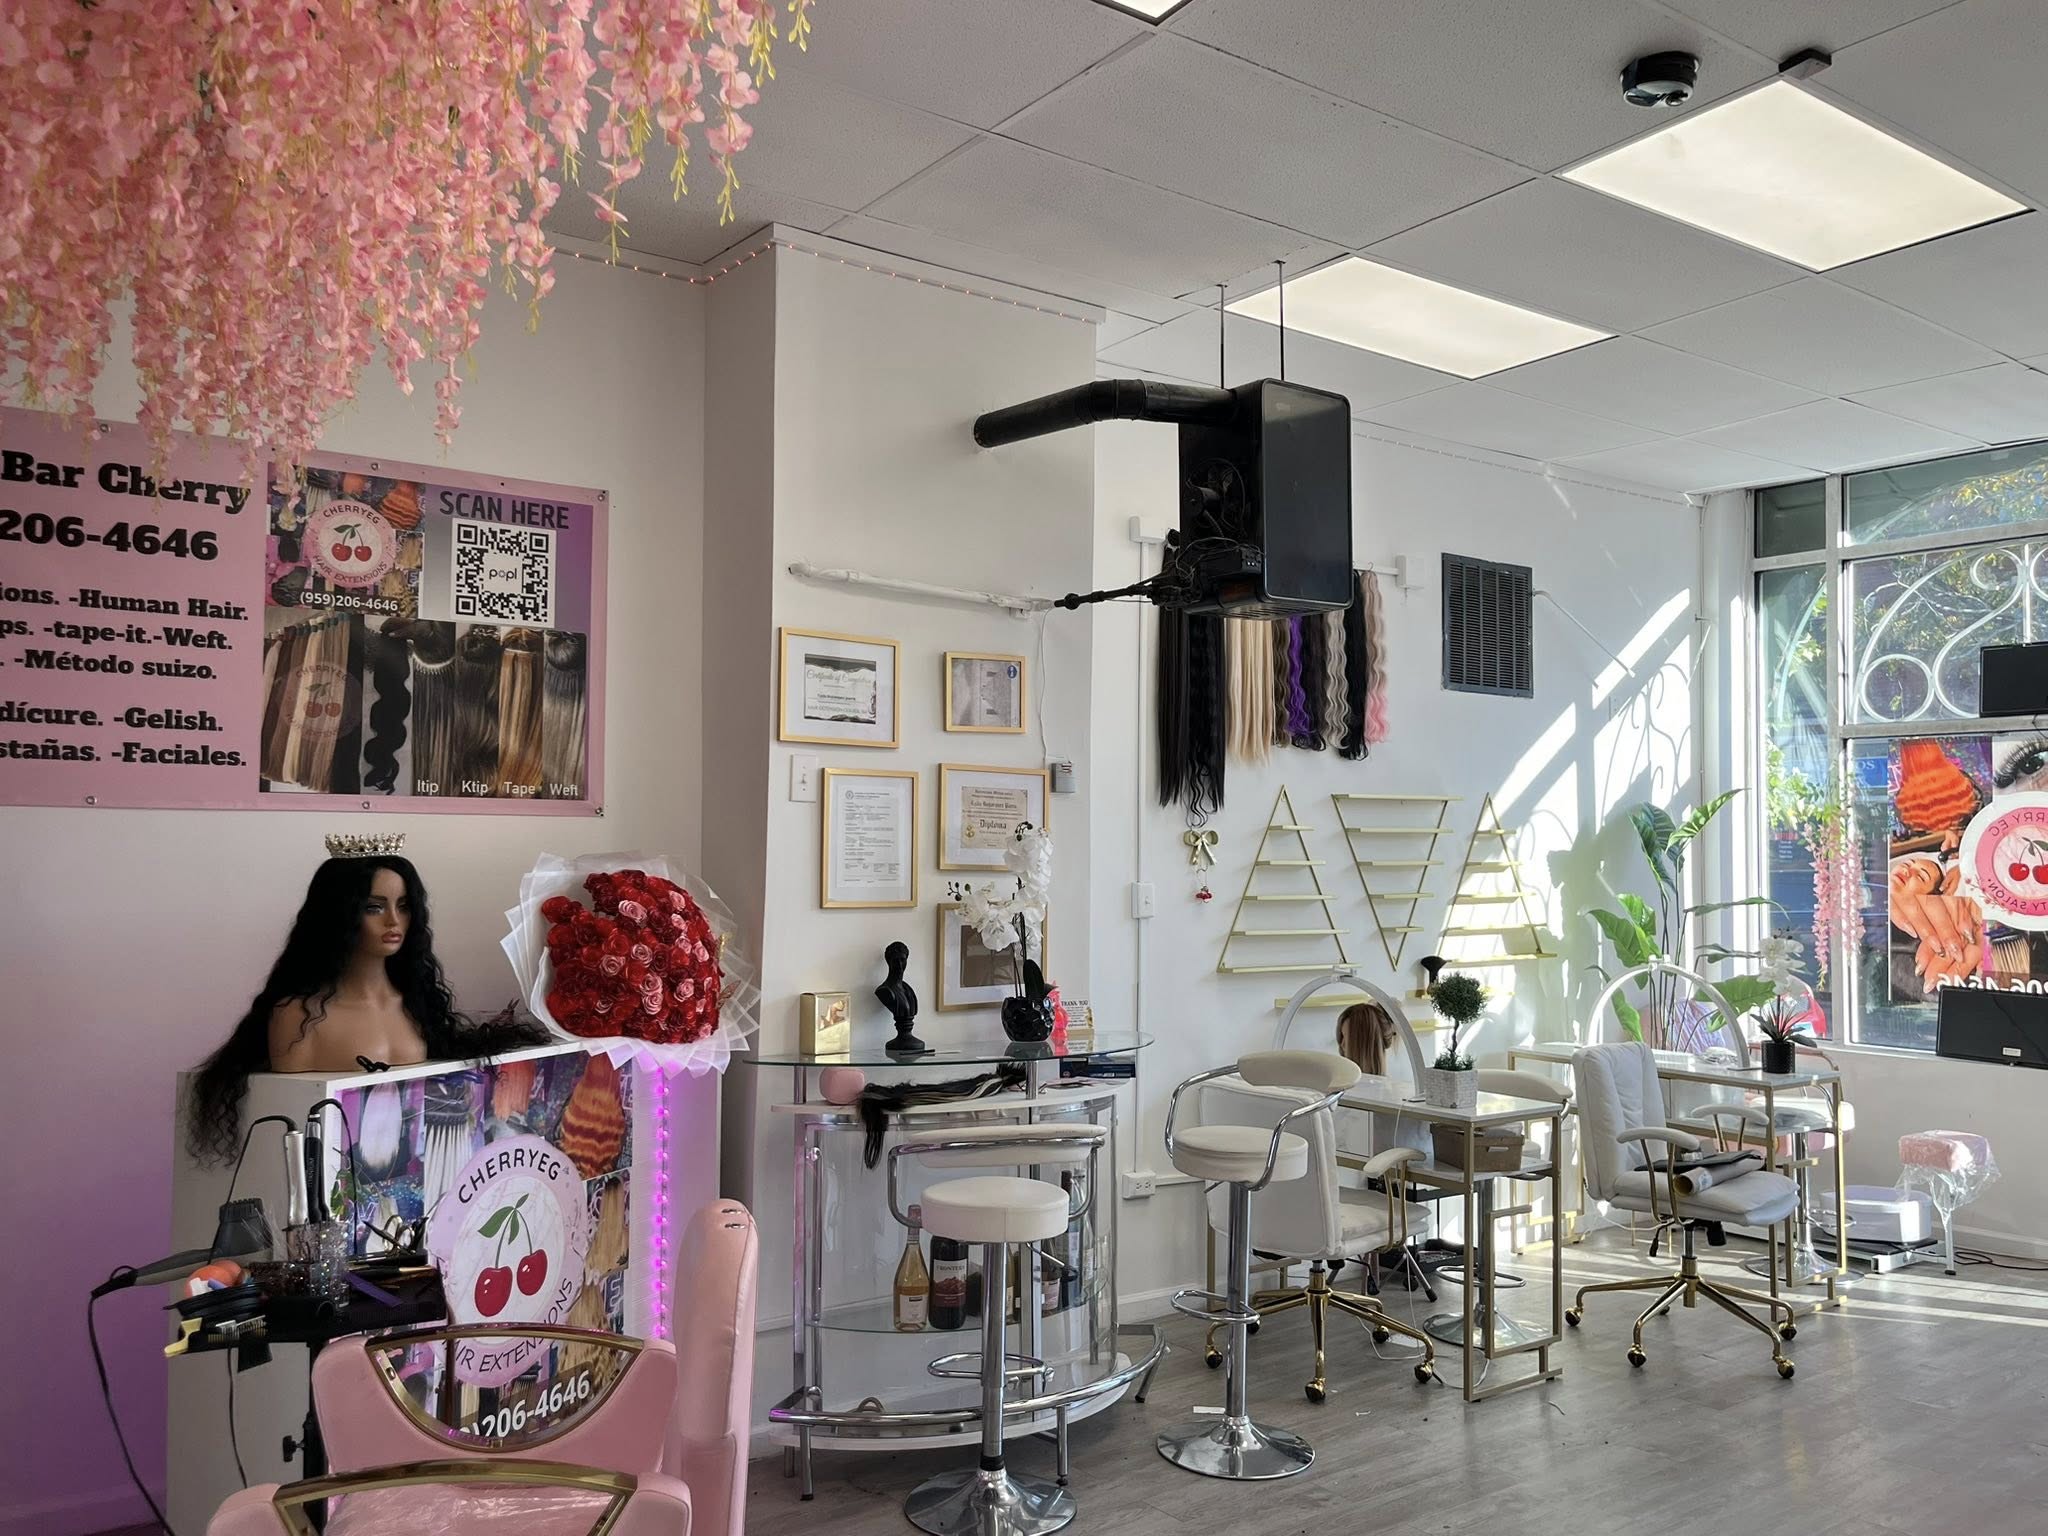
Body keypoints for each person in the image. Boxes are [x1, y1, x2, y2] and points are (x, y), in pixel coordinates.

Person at [187, 843, 543, 1163]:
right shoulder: (298, 1017)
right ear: (339, 914)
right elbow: (294, 1110)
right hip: (333, 1170)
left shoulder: (419, 1006)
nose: (394, 921)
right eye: (374, 907)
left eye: (404, 906)